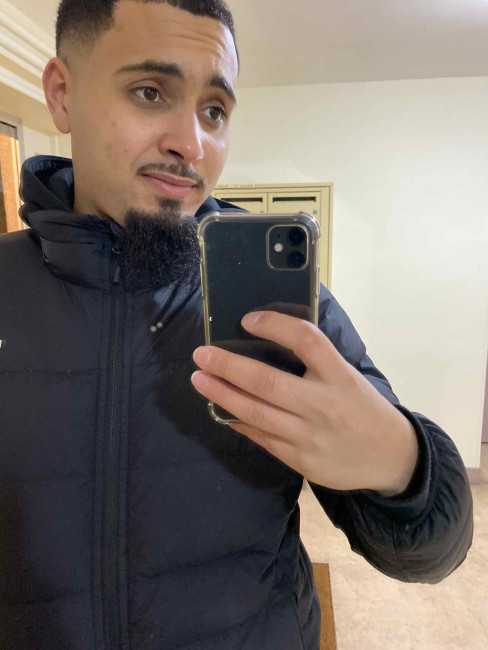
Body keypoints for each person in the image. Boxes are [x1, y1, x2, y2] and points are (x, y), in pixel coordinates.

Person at [0, 1, 473, 648]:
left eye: (215, 111)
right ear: (61, 94)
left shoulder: (282, 310)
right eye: (150, 92)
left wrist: (402, 464)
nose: (192, 144)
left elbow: (434, 550)